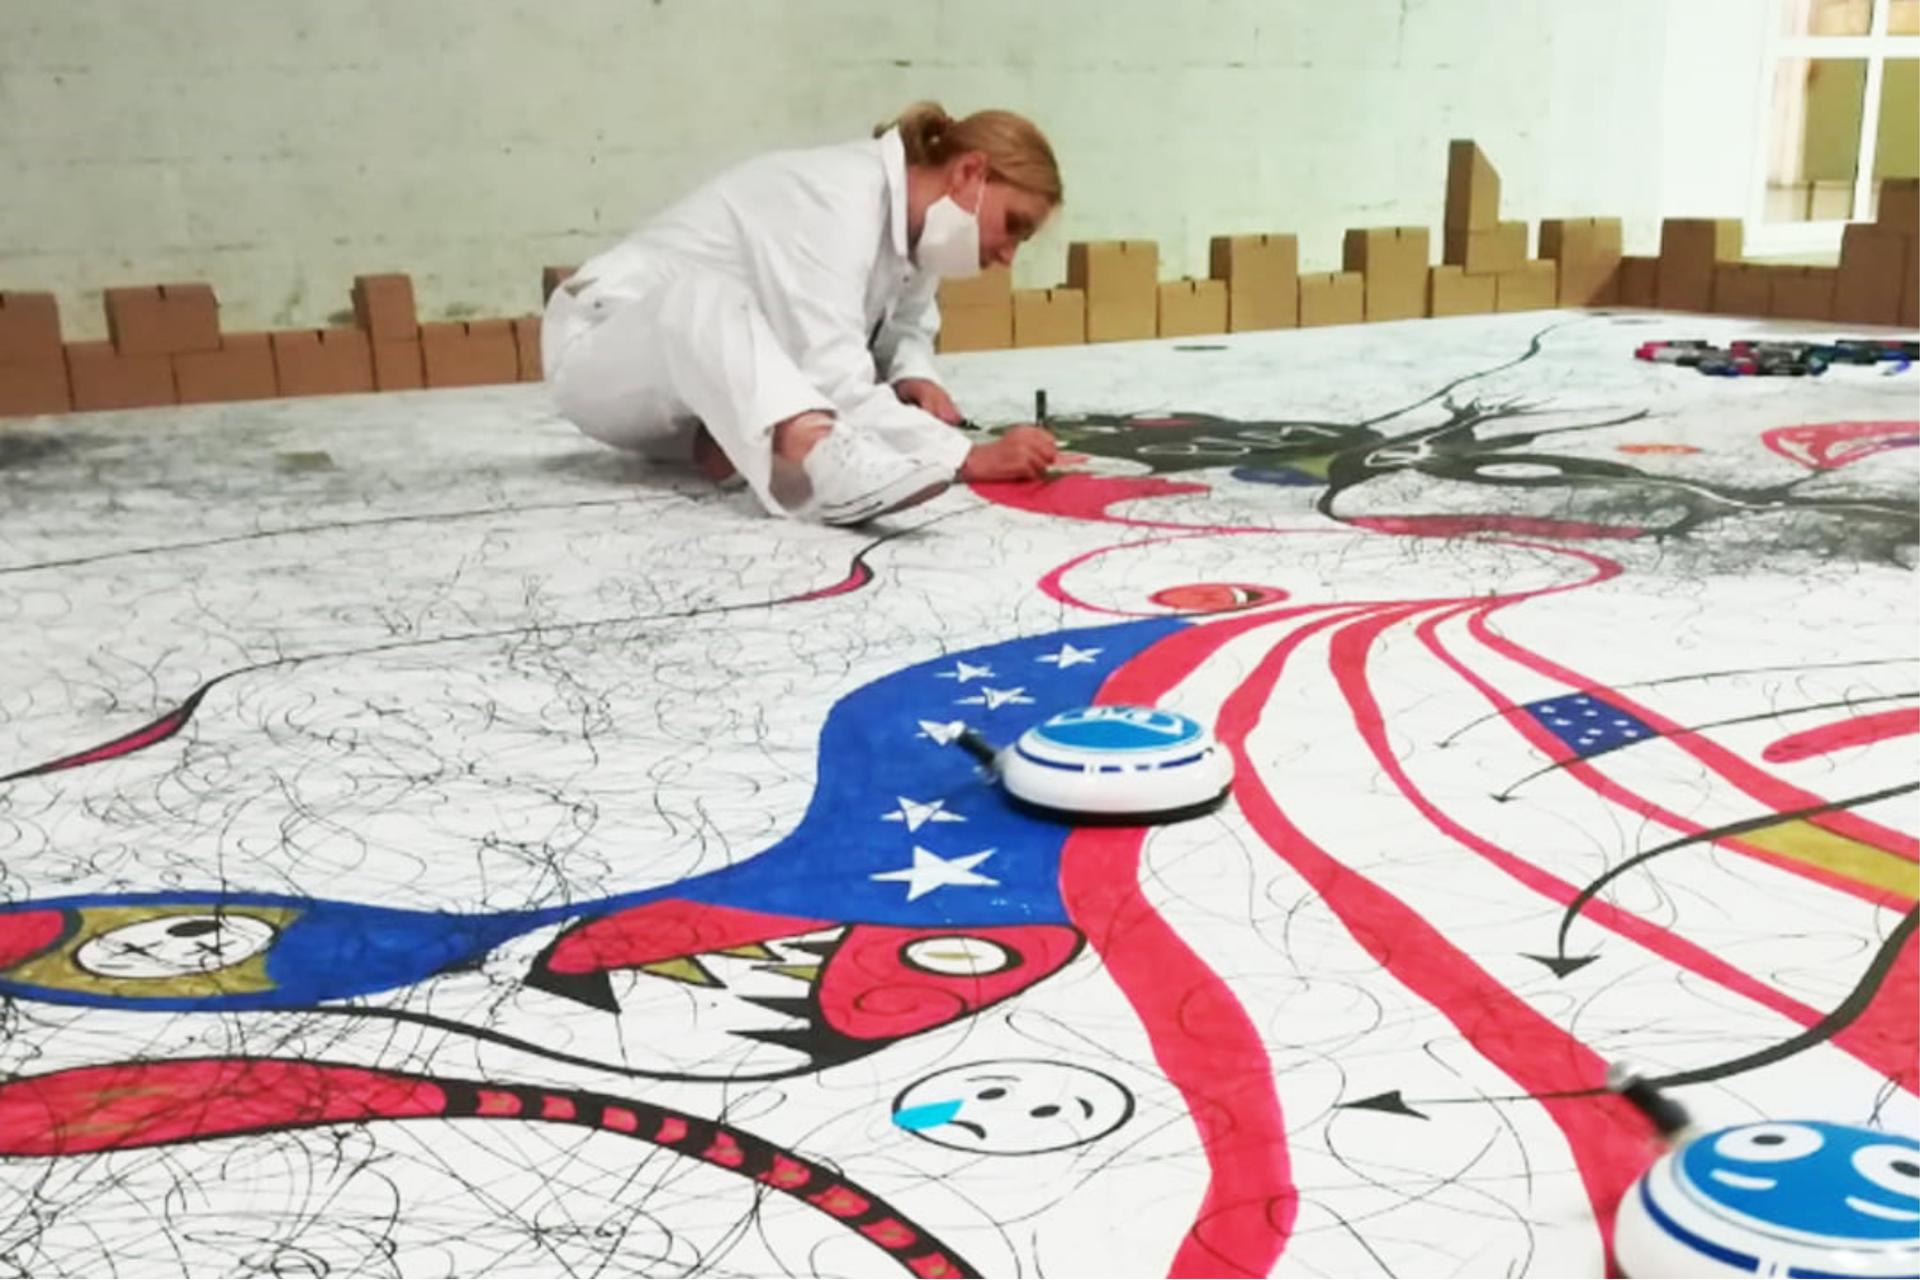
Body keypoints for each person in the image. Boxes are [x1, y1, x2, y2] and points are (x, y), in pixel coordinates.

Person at [542, 102, 1063, 525]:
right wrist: (964, 456)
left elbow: (905, 323)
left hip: (685, 398)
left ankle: (736, 444)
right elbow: (831, 376)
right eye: (1013, 225)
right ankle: (814, 447)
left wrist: (914, 376)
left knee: (746, 364)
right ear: (969, 172)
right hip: (603, 346)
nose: (1008, 255)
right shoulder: (836, 200)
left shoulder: (914, 232)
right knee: (705, 295)